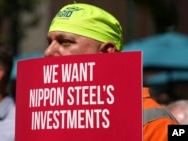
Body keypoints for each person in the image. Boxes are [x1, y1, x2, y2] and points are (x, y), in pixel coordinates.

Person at [44, 3, 178, 141]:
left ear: (107, 52)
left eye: (65, 42)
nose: (48, 52)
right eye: (49, 42)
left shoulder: (158, 121)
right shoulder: (44, 115)